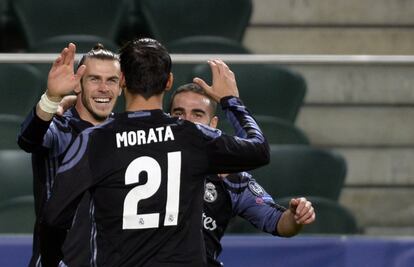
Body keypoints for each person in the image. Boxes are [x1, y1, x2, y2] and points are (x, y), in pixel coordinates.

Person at [42, 38, 270, 267]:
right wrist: (231, 100)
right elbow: (259, 150)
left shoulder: (94, 141)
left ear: (121, 79)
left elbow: (54, 218)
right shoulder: (195, 137)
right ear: (169, 81)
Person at [169, 83, 316, 266]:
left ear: (213, 124)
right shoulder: (146, 160)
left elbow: (276, 221)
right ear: (168, 118)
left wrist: (295, 217)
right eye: (179, 113)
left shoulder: (231, 179)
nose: (188, 121)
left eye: (197, 114)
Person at [17, 43, 122, 267]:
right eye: (94, 79)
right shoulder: (58, 127)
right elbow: (29, 139)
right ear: (78, 85)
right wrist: (51, 97)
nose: (104, 88)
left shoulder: (127, 134)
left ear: (121, 86)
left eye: (111, 80)